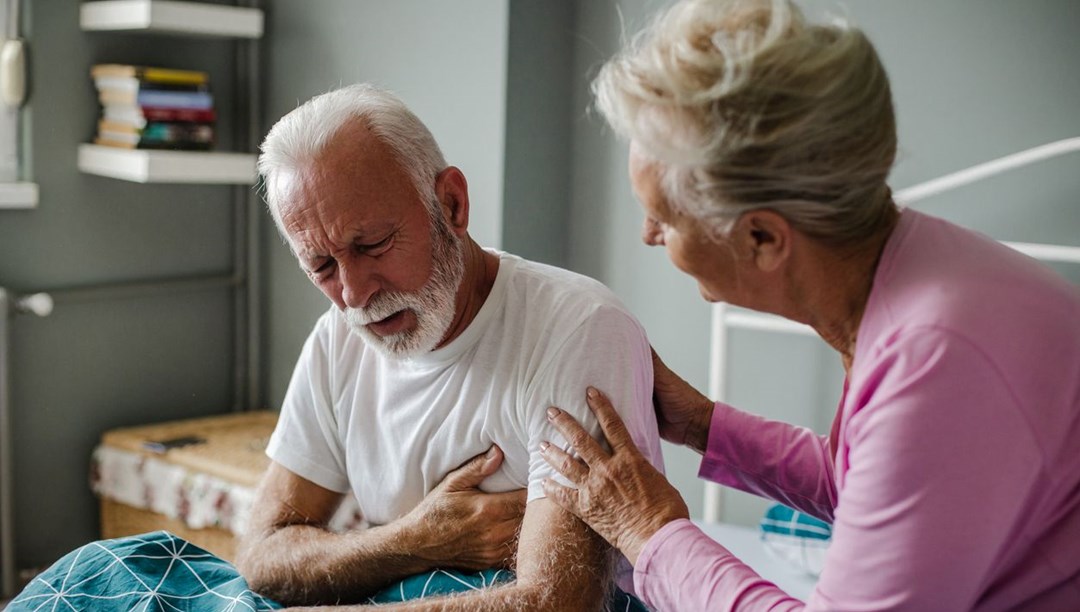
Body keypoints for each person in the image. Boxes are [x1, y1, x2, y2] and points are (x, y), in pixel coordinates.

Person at [537, 0, 1080, 610]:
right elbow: (870, 486)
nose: (647, 235)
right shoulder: (919, 264)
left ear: (762, 239)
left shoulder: (939, 358)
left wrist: (651, 532)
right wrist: (704, 425)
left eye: (664, 217)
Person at [236, 83, 664, 610]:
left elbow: (557, 602)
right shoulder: (337, 339)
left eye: (371, 245)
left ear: (452, 204)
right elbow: (262, 555)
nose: (353, 294)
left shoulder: (576, 328)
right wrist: (415, 540)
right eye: (321, 267)